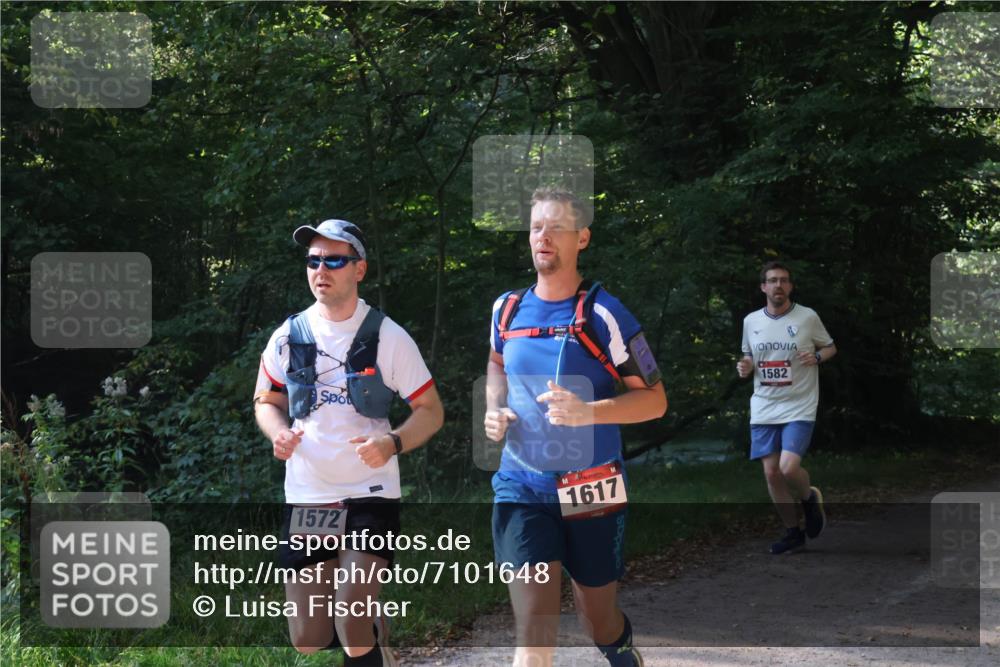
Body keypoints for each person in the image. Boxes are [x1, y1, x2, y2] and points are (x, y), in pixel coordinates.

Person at [483, 187, 668, 667]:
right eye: (536, 227)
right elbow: (497, 363)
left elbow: (655, 401)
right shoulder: (506, 309)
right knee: (534, 633)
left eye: (556, 227)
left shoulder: (606, 313)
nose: (543, 236)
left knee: (597, 620)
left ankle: (619, 648)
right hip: (522, 482)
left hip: (593, 484)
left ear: (582, 237)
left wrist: (590, 412)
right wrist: (494, 408)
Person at [253, 219, 444, 666]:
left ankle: (365, 632)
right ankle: (375, 628)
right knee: (308, 638)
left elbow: (431, 411)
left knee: (350, 617)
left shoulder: (388, 337)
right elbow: (266, 400)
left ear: (359, 269)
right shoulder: (288, 335)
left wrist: (392, 443)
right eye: (313, 260)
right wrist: (278, 431)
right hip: (309, 493)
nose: (321, 269)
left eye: (334, 261)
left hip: (369, 491)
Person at [736, 261, 836, 555]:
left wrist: (817, 358)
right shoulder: (751, 321)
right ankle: (793, 533)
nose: (778, 285)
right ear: (763, 287)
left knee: (788, 467)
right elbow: (748, 356)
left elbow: (830, 347)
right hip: (764, 406)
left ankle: (808, 498)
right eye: (772, 280)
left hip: (799, 404)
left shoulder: (807, 317)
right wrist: (745, 366)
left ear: (790, 286)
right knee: (771, 474)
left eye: (783, 280)